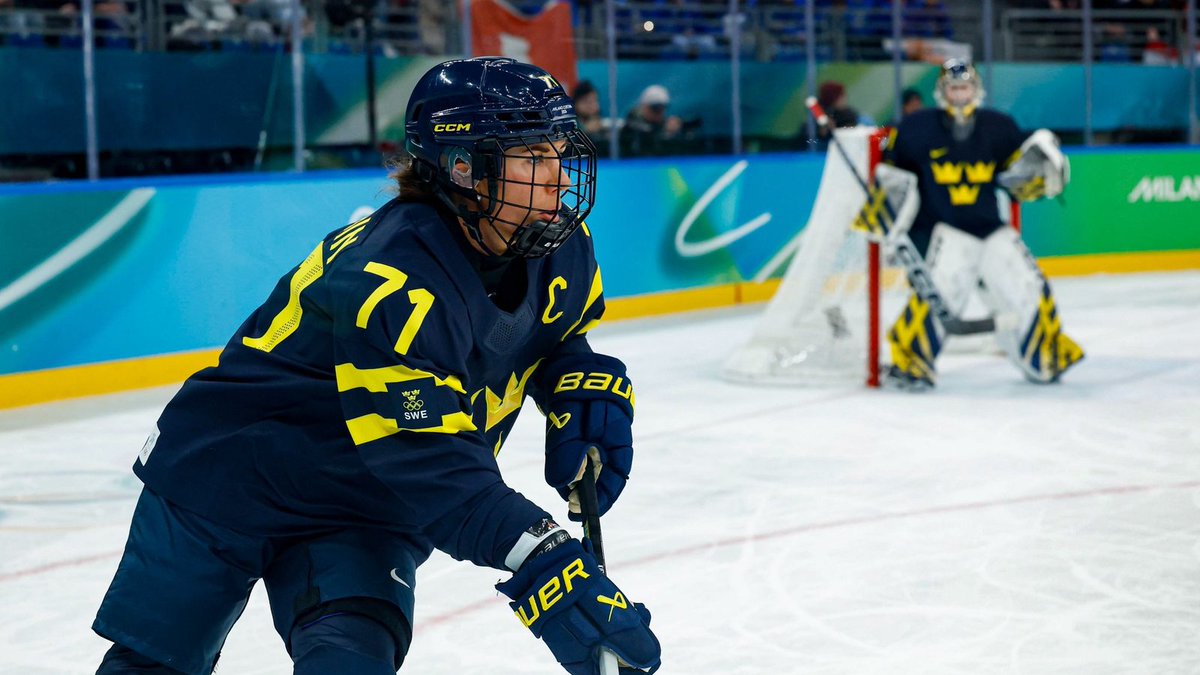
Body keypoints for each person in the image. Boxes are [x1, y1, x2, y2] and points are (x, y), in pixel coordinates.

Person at [91, 57, 662, 675]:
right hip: (228, 476)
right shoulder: (392, 278)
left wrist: (577, 382)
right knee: (152, 667)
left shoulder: (561, 247)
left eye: (559, 151)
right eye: (530, 158)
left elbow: (552, 335)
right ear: (464, 167)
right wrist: (543, 558)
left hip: (364, 503)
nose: (555, 180)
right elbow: (423, 452)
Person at [877, 59, 1082, 389]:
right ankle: (911, 363)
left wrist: (1039, 164)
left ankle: (1042, 355)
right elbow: (892, 174)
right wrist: (887, 214)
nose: (960, 95)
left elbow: (1017, 172)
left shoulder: (998, 126)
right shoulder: (916, 128)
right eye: (953, 88)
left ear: (977, 90)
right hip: (944, 230)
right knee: (940, 296)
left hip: (990, 227)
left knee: (1029, 284)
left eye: (965, 88)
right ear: (942, 92)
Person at [622, 84, 683, 156]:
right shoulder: (632, 122)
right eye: (655, 108)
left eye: (663, 108)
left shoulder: (661, 124)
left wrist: (675, 128)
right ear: (644, 106)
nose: (660, 112)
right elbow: (644, 130)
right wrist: (665, 129)